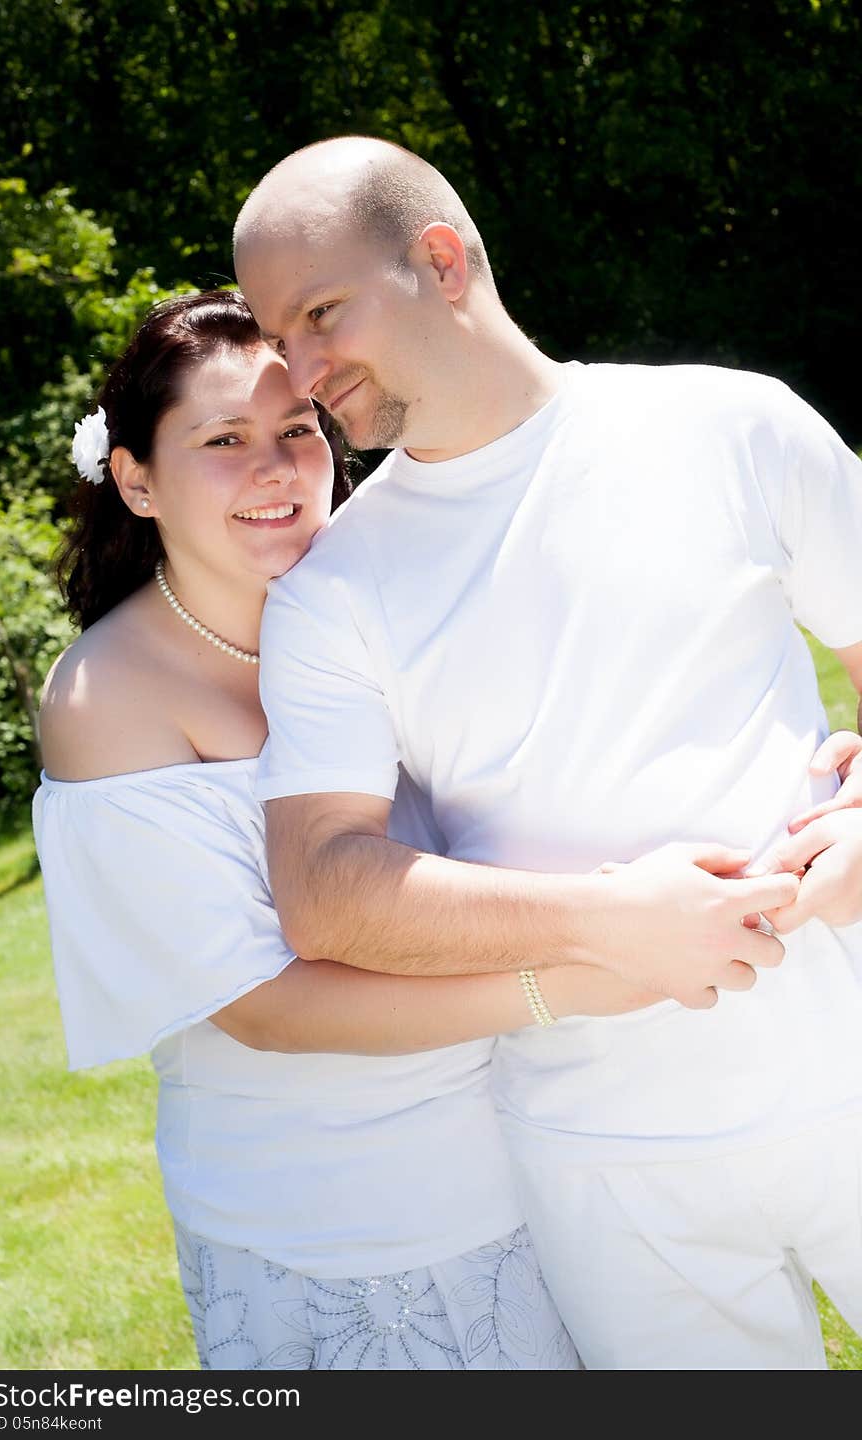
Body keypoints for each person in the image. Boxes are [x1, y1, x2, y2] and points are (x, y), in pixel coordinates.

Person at [232, 135, 862, 1370]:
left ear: (441, 258)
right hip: (610, 1169)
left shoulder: (728, 423)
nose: (300, 375)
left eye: (320, 314)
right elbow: (321, 885)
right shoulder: (332, 593)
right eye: (276, 338)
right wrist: (601, 920)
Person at [33, 287, 668, 1373]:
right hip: (338, 1221)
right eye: (223, 440)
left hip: (545, 1148)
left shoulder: (384, 588)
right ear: (135, 478)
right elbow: (263, 1011)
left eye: (296, 430)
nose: (276, 467)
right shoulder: (106, 700)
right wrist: (573, 974)